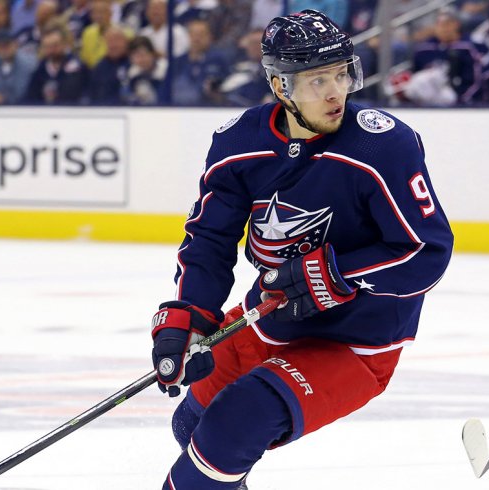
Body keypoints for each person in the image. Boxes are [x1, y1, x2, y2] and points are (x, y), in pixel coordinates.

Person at [150, 9, 454, 489]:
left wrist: (337, 273)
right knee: (191, 427)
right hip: (269, 318)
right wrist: (190, 314)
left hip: (356, 340)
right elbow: (209, 240)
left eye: (342, 74)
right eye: (317, 81)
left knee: (235, 422)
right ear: (280, 86)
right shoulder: (238, 144)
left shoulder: (383, 146)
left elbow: (427, 252)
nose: (336, 92)